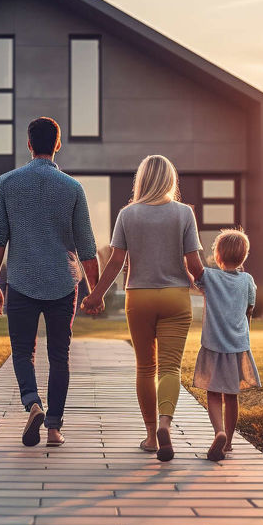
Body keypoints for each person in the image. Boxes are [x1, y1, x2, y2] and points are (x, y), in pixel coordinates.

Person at [81, 155, 203, 462]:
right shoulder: (184, 214)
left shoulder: (128, 214)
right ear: (170, 180)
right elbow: (194, 265)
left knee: (146, 368)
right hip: (175, 296)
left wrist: (96, 295)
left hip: (140, 297)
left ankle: (151, 437)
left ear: (142, 180)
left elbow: (116, 262)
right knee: (171, 367)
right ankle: (165, 424)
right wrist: (205, 283)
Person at [0, 117, 99, 448]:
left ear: (29, 144)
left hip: (19, 280)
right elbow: (87, 246)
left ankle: (32, 402)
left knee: (23, 350)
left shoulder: (6, 184)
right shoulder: (73, 188)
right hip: (63, 283)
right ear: (58, 144)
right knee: (59, 355)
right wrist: (94, 292)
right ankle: (53, 429)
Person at [191, 229, 260, 462]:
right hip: (237, 346)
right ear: (244, 256)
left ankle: (218, 431)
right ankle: (228, 442)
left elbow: (193, 272)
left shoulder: (209, 277)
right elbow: (249, 310)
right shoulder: (248, 281)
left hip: (212, 344)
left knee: (213, 392)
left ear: (218, 255)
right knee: (231, 395)